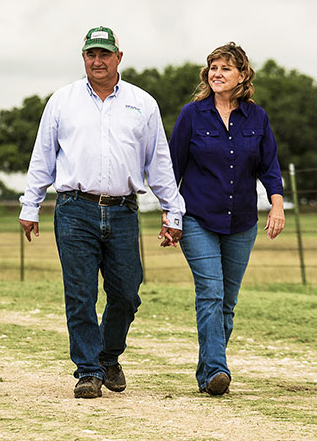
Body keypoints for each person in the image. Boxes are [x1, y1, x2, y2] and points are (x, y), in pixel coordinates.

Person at [19, 26, 185, 399]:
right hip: (75, 208)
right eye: (91, 54)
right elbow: (42, 158)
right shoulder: (62, 101)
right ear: (84, 58)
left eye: (104, 54)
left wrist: (172, 211)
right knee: (80, 294)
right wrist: (30, 205)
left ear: (118, 58)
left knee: (126, 293)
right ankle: (89, 371)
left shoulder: (143, 103)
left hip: (123, 209)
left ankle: (109, 356)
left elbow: (159, 163)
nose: (98, 61)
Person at [168, 42, 285, 396]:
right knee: (211, 293)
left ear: (242, 76)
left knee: (227, 303)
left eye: (226, 68)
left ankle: (208, 372)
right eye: (213, 68)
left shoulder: (257, 117)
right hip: (197, 219)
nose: (217, 74)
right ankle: (218, 370)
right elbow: (171, 169)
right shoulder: (192, 114)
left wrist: (277, 205)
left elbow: (270, 167)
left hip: (243, 222)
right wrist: (169, 216)